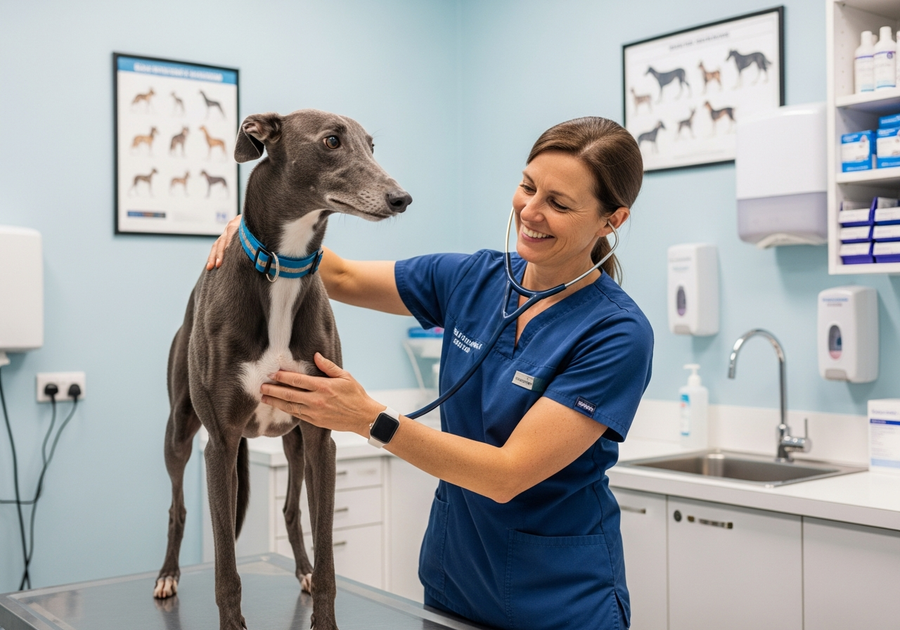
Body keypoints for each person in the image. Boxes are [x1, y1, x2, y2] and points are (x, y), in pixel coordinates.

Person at [207, 116, 653, 630]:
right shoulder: (473, 277)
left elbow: (507, 475)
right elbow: (344, 275)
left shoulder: (616, 333)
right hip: (453, 584)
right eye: (528, 187)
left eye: (559, 203)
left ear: (610, 222)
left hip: (560, 601)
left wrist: (369, 418)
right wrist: (257, 228)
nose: (530, 211)